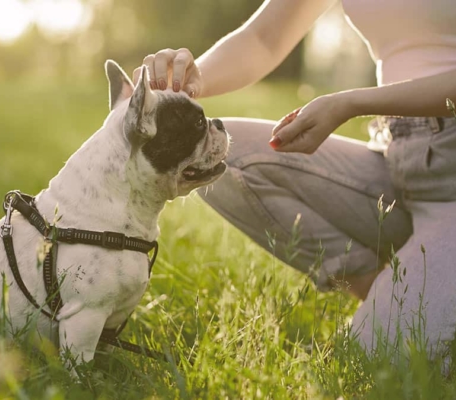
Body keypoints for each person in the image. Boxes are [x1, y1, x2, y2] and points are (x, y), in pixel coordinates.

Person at [134, 0, 456, 357]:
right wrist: (192, 81)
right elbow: (263, 39)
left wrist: (352, 103)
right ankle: (378, 287)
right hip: (396, 155)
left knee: (378, 360)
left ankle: (419, 292)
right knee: (221, 158)